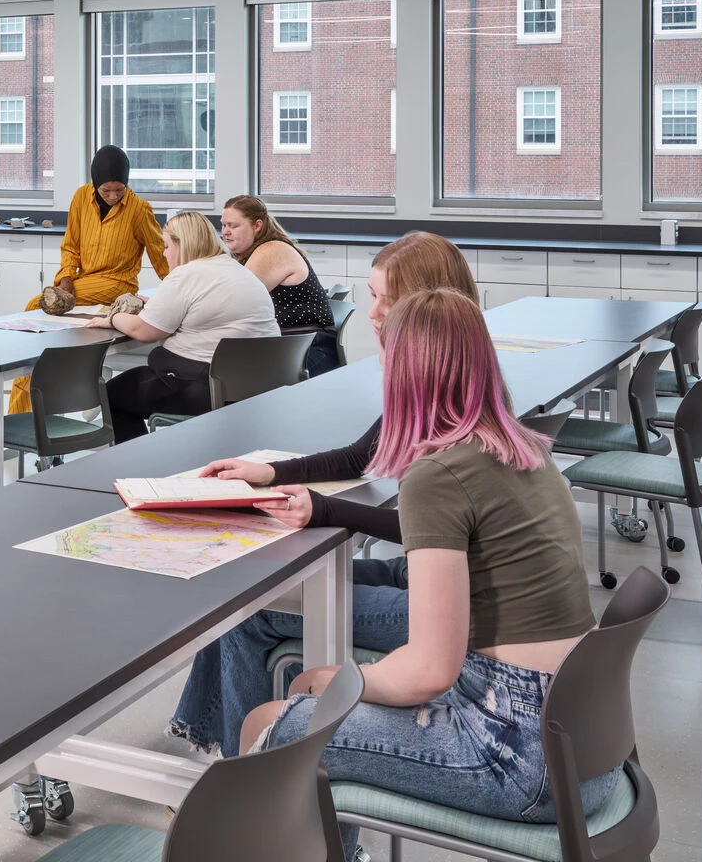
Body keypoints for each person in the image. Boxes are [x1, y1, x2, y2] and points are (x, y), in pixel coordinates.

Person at [235, 287, 611, 843]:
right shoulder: (527, 450)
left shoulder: (438, 476)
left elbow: (430, 671)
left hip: (516, 752)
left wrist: (342, 681)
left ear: (400, 371)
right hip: (585, 744)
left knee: (267, 722)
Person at [170, 230, 480, 754]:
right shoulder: (457, 384)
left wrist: (325, 509)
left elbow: (430, 528)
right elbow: (358, 456)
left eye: (385, 298)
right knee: (251, 599)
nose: (373, 313)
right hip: (437, 578)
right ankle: (218, 753)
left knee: (247, 611)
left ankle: (238, 769)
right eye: (372, 294)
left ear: (424, 306)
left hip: (455, 601)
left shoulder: (445, 411)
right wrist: (269, 473)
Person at [100, 211, 279, 441]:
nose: (164, 254)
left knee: (111, 394)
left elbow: (141, 330)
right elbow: (205, 311)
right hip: (258, 386)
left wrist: (113, 317)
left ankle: (137, 469)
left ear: (181, 244)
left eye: (166, 246)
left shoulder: (187, 274)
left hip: (207, 388)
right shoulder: (237, 270)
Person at [29, 145, 167, 310]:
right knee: (47, 305)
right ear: (95, 184)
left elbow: (160, 253)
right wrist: (66, 276)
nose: (113, 196)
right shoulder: (81, 197)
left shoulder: (139, 209)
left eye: (119, 189)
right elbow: (71, 246)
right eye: (106, 190)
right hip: (85, 279)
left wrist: (180, 288)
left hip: (117, 284)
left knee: (36, 305)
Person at [222, 195, 341, 377]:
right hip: (292, 347)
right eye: (224, 225)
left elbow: (233, 301)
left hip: (306, 351)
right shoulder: (258, 250)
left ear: (257, 226)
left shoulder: (272, 250)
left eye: (234, 226)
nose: (225, 232)